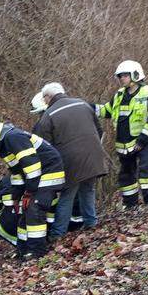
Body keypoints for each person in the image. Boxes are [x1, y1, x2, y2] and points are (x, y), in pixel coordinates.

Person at [0, 114, 66, 258]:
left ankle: (37, 253)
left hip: (49, 172)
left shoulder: (12, 138)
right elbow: (17, 173)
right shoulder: (3, 145)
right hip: (38, 175)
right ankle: (24, 251)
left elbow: (32, 167)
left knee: (34, 209)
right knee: (24, 212)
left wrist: (29, 193)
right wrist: (16, 197)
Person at [32, 82, 107, 240]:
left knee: (67, 196)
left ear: (47, 97)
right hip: (94, 156)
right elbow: (99, 130)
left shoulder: (48, 116)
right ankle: (91, 223)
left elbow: (44, 148)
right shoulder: (83, 104)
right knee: (88, 190)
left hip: (70, 162)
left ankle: (58, 234)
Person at [98, 60, 148, 207]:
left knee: (146, 170)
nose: (121, 78)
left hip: (143, 142)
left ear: (135, 75)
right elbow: (106, 111)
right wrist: (88, 108)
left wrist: (142, 141)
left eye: (124, 75)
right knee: (126, 174)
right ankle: (130, 205)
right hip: (123, 145)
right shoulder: (119, 95)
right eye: (120, 76)